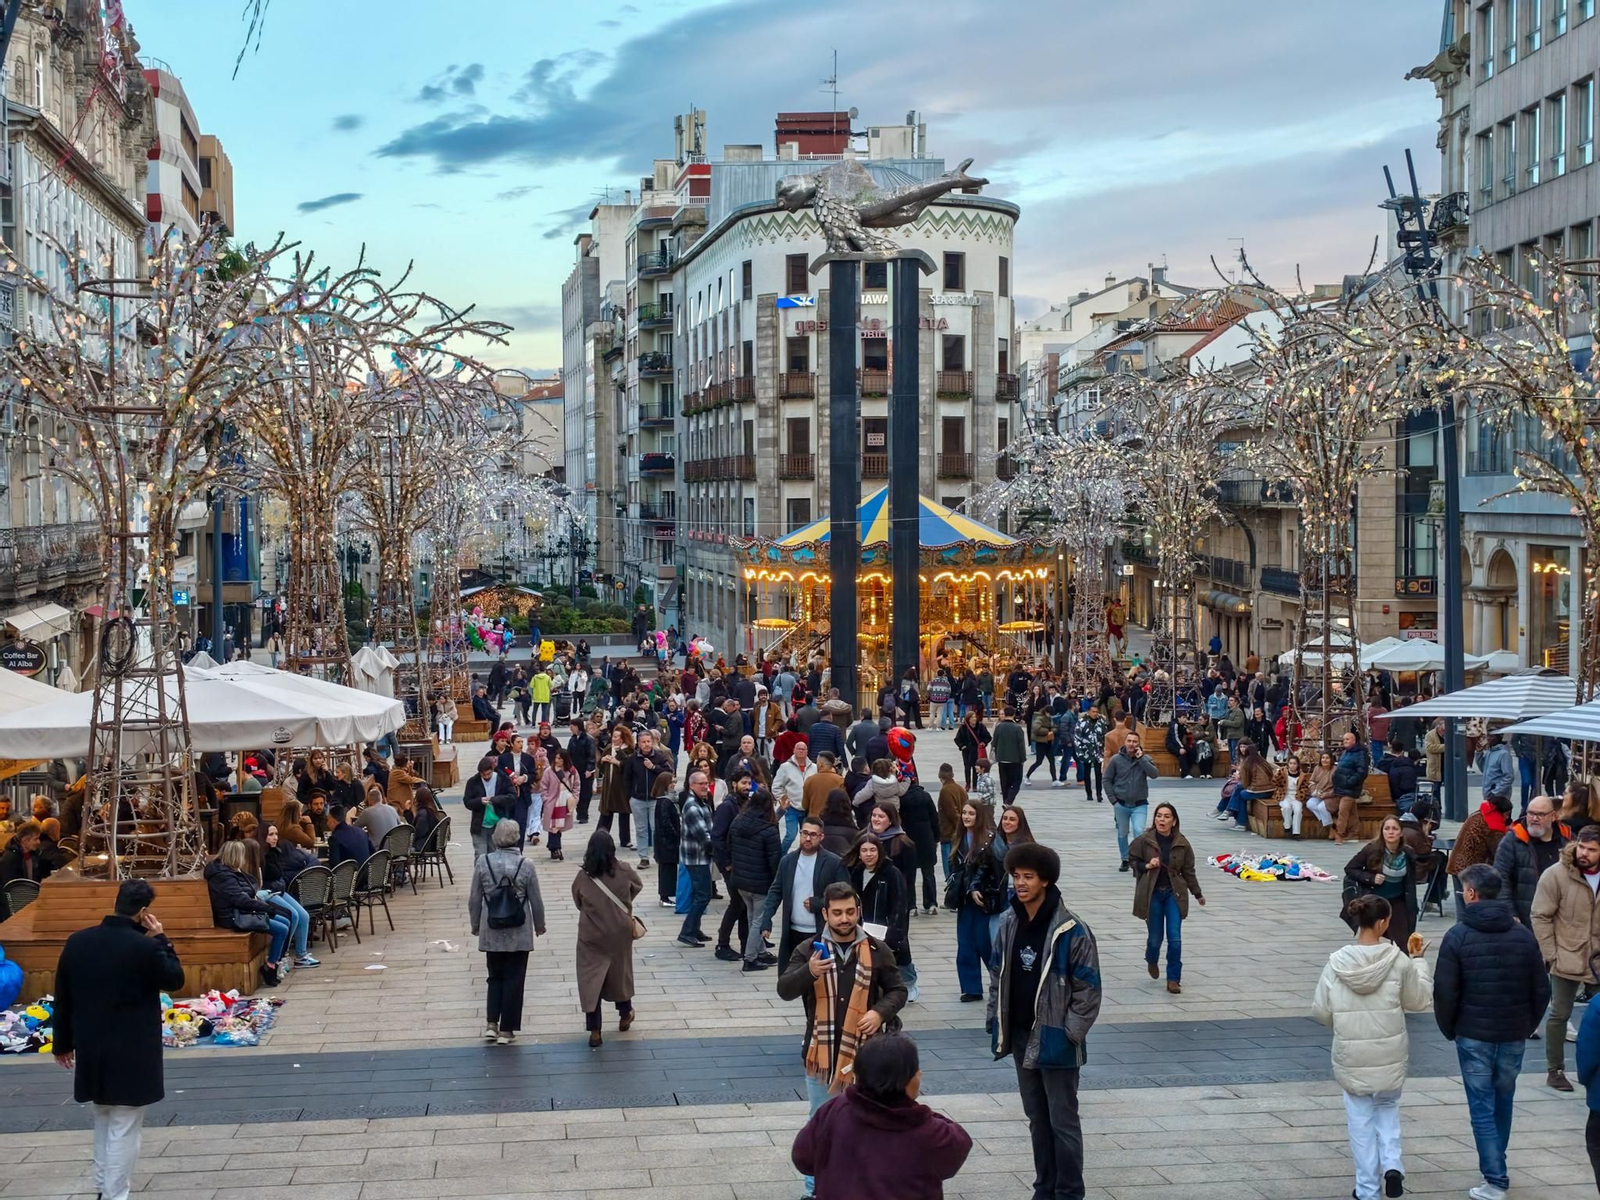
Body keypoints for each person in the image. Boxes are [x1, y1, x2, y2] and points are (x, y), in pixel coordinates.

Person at [50, 879, 187, 1200]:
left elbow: (63, 996)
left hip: (92, 1045)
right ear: (142, 912)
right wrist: (162, 938)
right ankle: (115, 1195)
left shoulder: (78, 941)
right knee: (125, 1124)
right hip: (133, 1050)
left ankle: (103, 1188)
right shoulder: (146, 947)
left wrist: (62, 1043)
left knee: (104, 1116)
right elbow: (175, 979)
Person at [776, 880, 908, 1200]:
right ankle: (815, 1189)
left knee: (871, 1123)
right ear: (825, 914)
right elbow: (784, 990)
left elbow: (898, 990)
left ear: (858, 911)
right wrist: (808, 972)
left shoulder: (877, 949)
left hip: (867, 1055)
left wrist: (879, 1012)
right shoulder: (808, 950)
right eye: (837, 913)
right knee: (822, 1122)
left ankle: (868, 1186)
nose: (844, 919)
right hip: (821, 1054)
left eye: (850, 912)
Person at [987, 842, 1101, 1200]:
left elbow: (1089, 989)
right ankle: (1044, 1187)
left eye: (1028, 877)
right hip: (1021, 1035)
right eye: (1016, 876)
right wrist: (996, 1018)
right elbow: (996, 975)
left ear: (1046, 881)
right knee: (1037, 1118)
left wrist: (1070, 1033)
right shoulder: (1008, 923)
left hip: (1056, 1038)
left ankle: (1069, 1192)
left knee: (1062, 1121)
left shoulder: (1072, 930)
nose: (1020, 883)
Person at [1432, 863, 1549, 1200]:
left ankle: (1495, 1178)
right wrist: (1527, 1024)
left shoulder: (1458, 935)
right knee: (1504, 1099)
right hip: (1512, 1032)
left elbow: (1445, 990)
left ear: (1471, 893)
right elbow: (1540, 989)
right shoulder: (1523, 935)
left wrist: (1450, 1027)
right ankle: (1497, 1162)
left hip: (1473, 1033)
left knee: (1482, 1105)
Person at [1311, 894, 1433, 1200]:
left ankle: (1367, 1189)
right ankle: (1392, 1163)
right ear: (1382, 923)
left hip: (1352, 1053)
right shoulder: (1399, 961)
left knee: (1360, 1120)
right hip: (1389, 1052)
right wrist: (1419, 961)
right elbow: (1418, 1001)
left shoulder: (1336, 963)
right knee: (1388, 1107)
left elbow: (1322, 1011)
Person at [791, 1032, 971, 1200]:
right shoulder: (930, 1130)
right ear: (908, 1080)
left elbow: (803, 1158)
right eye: (917, 1071)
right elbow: (957, 1150)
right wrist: (920, 1112)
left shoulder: (833, 1110)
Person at [1530, 826, 1600, 1092]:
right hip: (1566, 955)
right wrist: (1551, 954)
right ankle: (1555, 1069)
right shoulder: (1557, 875)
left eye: (1592, 850)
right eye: (1582, 847)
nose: (1584, 853)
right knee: (1560, 1014)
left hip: (1597, 958)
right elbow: (1540, 915)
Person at [467, 818, 547, 1045]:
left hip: (491, 928)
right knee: (515, 977)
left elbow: (474, 899)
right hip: (519, 931)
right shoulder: (526, 865)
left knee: (494, 976)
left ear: (495, 838)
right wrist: (539, 925)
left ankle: (492, 1022)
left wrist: (475, 925)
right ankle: (507, 1029)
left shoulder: (483, 863)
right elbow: (536, 900)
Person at [572, 829, 643, 1048]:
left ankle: (595, 1030)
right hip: (619, 932)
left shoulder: (584, 876)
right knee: (620, 972)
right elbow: (637, 886)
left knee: (591, 979)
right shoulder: (624, 869)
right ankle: (624, 1013)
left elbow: (578, 900)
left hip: (591, 935)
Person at [1127, 802, 1204, 994]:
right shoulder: (1144, 840)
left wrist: (1197, 893)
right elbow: (1132, 860)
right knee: (1155, 939)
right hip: (1152, 893)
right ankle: (1151, 958)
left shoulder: (1182, 843)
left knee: (1175, 938)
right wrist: (1147, 865)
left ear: (1174, 821)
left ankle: (1173, 979)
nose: (1162, 819)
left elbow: (1188, 871)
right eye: (1159, 816)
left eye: (1167, 816)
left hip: (1174, 894)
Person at [761, 814, 851, 973]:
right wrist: (766, 919)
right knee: (795, 980)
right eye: (805, 833)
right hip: (793, 932)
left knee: (821, 981)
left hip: (820, 932)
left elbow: (846, 897)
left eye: (813, 835)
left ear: (821, 837)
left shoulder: (833, 862)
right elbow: (775, 891)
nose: (808, 838)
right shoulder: (788, 861)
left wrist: (819, 903)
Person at [204, 839, 295, 987]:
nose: (244, 859)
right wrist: (266, 908)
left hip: (242, 911)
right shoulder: (223, 876)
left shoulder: (227, 872)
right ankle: (270, 967)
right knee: (282, 929)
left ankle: (273, 963)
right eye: (242, 856)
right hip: (234, 916)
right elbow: (240, 900)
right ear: (235, 857)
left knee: (285, 921)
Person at [949, 802, 1004, 1002]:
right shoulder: (959, 838)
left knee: (985, 943)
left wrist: (978, 887)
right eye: (964, 813)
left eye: (971, 813)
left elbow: (999, 866)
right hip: (965, 900)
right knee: (965, 945)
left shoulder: (990, 838)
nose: (966, 816)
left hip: (983, 900)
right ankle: (971, 988)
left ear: (979, 816)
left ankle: (999, 981)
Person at [1492, 793, 1570, 928]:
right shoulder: (1512, 841)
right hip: (1526, 920)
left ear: (1553, 816)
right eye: (1531, 813)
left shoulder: (1567, 840)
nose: (1534, 818)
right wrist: (1510, 913)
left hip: (1562, 919)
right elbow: (1500, 878)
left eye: (1540, 815)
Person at [728, 779, 783, 971]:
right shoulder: (769, 830)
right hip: (761, 882)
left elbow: (729, 846)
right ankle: (750, 958)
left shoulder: (738, 822)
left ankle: (760, 953)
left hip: (741, 880)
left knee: (752, 917)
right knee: (758, 919)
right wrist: (779, 883)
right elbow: (775, 861)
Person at [1343, 815, 1419, 950]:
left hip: (1398, 901)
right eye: (1387, 829)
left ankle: (1400, 967)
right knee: (1371, 938)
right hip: (1375, 901)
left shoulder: (1408, 853)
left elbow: (1411, 881)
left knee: (1402, 942)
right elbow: (1350, 869)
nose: (1390, 832)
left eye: (1395, 829)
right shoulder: (1371, 849)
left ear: (1401, 833)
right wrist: (1371, 878)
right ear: (1382, 832)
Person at [1103, 730, 1158, 871]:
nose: (1131, 744)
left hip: (1140, 804)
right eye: (1129, 741)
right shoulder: (1116, 759)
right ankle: (1125, 858)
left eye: (1134, 741)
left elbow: (1154, 774)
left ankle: (1138, 858)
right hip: (1121, 803)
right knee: (1122, 833)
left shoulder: (1145, 759)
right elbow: (1107, 779)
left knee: (1139, 831)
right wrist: (1113, 800)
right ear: (1125, 742)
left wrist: (1142, 759)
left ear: (1139, 744)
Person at [676, 767, 715, 947]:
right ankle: (687, 931)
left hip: (699, 857)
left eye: (706, 783)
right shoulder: (692, 806)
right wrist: (718, 848)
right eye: (701, 784)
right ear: (692, 785)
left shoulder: (700, 803)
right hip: (696, 857)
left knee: (699, 895)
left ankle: (695, 929)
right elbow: (703, 836)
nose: (705, 786)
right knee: (703, 895)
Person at [1448, 792, 1514, 878]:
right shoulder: (1493, 824)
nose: (1508, 817)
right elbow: (1499, 852)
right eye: (1507, 814)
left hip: (1457, 864)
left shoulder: (1481, 814)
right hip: (1469, 871)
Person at [462, 755, 512, 859]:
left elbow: (512, 797)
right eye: (483, 775)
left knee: (494, 855)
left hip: (497, 823)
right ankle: (480, 875)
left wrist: (495, 800)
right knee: (480, 855)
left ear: (492, 770)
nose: (486, 777)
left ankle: (492, 875)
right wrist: (479, 801)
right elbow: (467, 802)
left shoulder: (502, 778)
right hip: (479, 824)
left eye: (488, 774)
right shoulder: (473, 782)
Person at [773, 739, 818, 852]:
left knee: (808, 837)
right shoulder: (785, 767)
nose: (801, 751)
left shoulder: (814, 768)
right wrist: (783, 799)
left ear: (807, 751)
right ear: (793, 750)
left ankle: (804, 855)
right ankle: (780, 858)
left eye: (804, 749)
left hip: (808, 809)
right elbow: (776, 786)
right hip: (791, 808)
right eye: (798, 748)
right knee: (790, 836)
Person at [1331, 730, 1372, 845]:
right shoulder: (1346, 752)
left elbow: (1362, 772)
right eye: (1344, 739)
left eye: (1347, 739)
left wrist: (1350, 782)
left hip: (1350, 788)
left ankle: (1340, 835)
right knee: (1352, 812)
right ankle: (1354, 834)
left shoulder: (1360, 754)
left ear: (1354, 741)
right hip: (1342, 787)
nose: (1345, 741)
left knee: (1343, 811)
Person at [540, 748, 578, 863]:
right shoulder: (549, 771)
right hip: (552, 802)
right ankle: (555, 848)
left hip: (565, 801)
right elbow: (544, 786)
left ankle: (553, 847)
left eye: (560, 759)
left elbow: (576, 785)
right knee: (553, 826)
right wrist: (546, 799)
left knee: (559, 826)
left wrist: (575, 798)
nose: (557, 761)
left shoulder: (572, 771)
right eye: (556, 758)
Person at [0, 819, 56, 885]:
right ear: (24, 841)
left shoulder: (35, 854)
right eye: (35, 839)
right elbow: (11, 885)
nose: (39, 842)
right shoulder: (10, 858)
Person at [1072, 704, 1109, 803]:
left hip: (1098, 752)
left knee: (1098, 773)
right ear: (1088, 712)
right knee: (1086, 773)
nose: (1095, 714)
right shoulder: (1082, 722)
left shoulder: (1101, 722)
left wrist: (1105, 748)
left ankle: (1099, 794)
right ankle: (1089, 793)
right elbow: (1077, 737)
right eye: (1093, 711)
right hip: (1086, 751)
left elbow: (1105, 735)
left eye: (1096, 712)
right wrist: (1080, 751)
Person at [991, 707, 1027, 807]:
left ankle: (1005, 801)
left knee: (1004, 782)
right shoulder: (1017, 728)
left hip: (1001, 759)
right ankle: (1008, 801)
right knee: (1016, 782)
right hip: (1015, 759)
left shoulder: (999, 727)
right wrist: (1023, 758)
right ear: (1014, 714)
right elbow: (1021, 745)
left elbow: (994, 743)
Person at [936, 764, 966, 881]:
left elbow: (952, 814)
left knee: (950, 873)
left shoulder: (945, 791)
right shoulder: (960, 789)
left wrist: (961, 828)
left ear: (940, 775)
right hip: (959, 836)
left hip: (949, 835)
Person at [356, 782, 402, 849]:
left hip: (378, 852)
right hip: (395, 849)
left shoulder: (368, 812)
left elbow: (354, 828)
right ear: (381, 798)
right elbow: (399, 826)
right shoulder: (392, 809)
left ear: (369, 800)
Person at [954, 708, 991, 790]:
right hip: (967, 751)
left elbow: (988, 737)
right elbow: (957, 739)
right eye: (972, 717)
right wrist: (962, 746)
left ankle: (975, 785)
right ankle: (968, 784)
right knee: (967, 767)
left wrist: (983, 743)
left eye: (975, 717)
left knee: (976, 768)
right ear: (968, 719)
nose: (974, 719)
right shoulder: (963, 728)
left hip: (977, 750)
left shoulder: (980, 726)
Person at [1274, 753, 1308, 838]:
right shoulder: (1282, 772)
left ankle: (1296, 832)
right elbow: (1275, 782)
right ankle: (1287, 825)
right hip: (1285, 795)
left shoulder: (1302, 775)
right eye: (1291, 763)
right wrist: (1277, 775)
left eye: (1294, 764)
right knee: (1286, 808)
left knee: (1298, 810)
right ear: (1288, 764)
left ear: (1297, 765)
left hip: (1296, 796)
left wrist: (1301, 794)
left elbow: (1305, 787)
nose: (1292, 766)